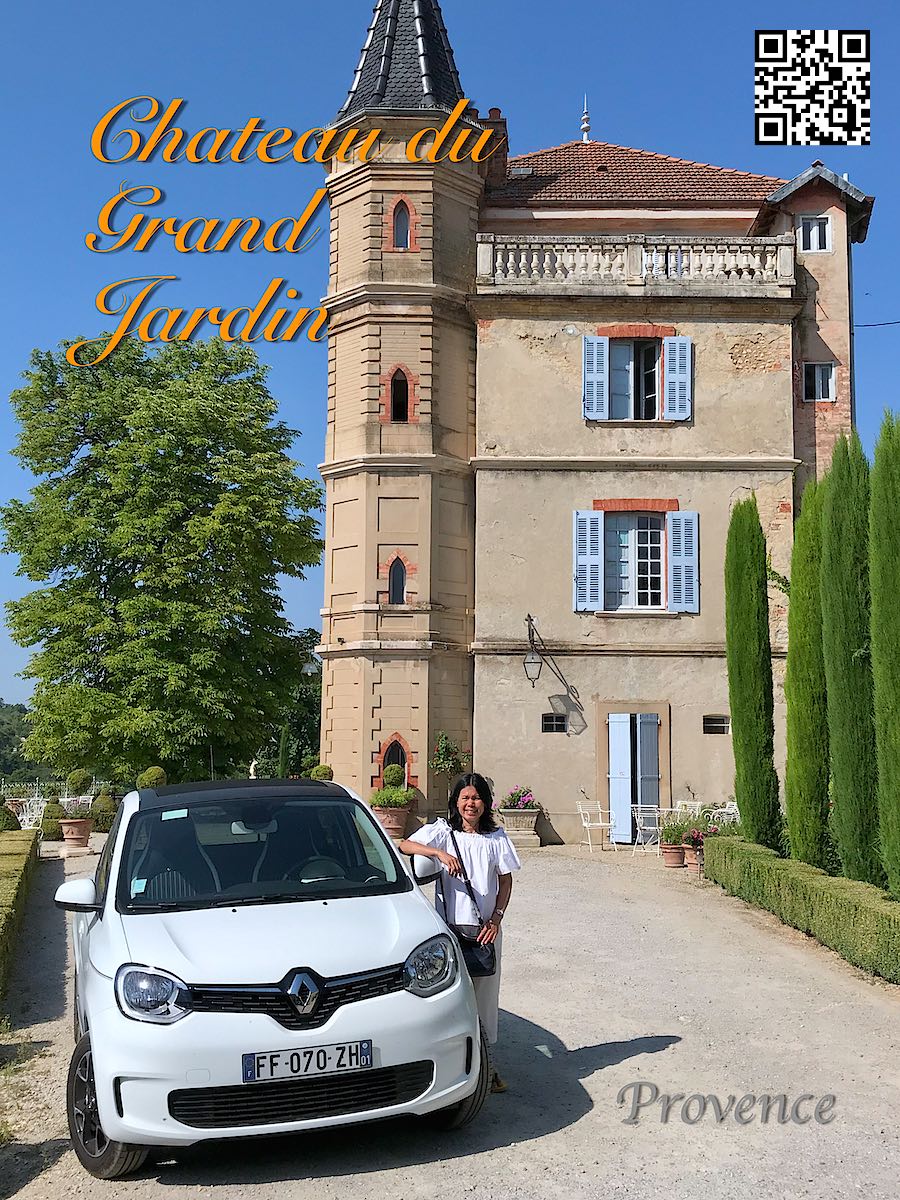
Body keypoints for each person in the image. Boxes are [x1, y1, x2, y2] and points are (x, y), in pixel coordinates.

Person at [398, 772, 520, 1093]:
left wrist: (497, 919)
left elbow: (505, 882)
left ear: (485, 802)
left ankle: (488, 1068)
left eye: (476, 798)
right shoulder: (443, 832)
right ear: (456, 801)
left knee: (485, 1000)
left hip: (486, 933)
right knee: (453, 999)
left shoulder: (496, 838)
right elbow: (404, 844)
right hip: (450, 933)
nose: (471, 804)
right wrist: (438, 853)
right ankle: (453, 1068)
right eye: (465, 798)